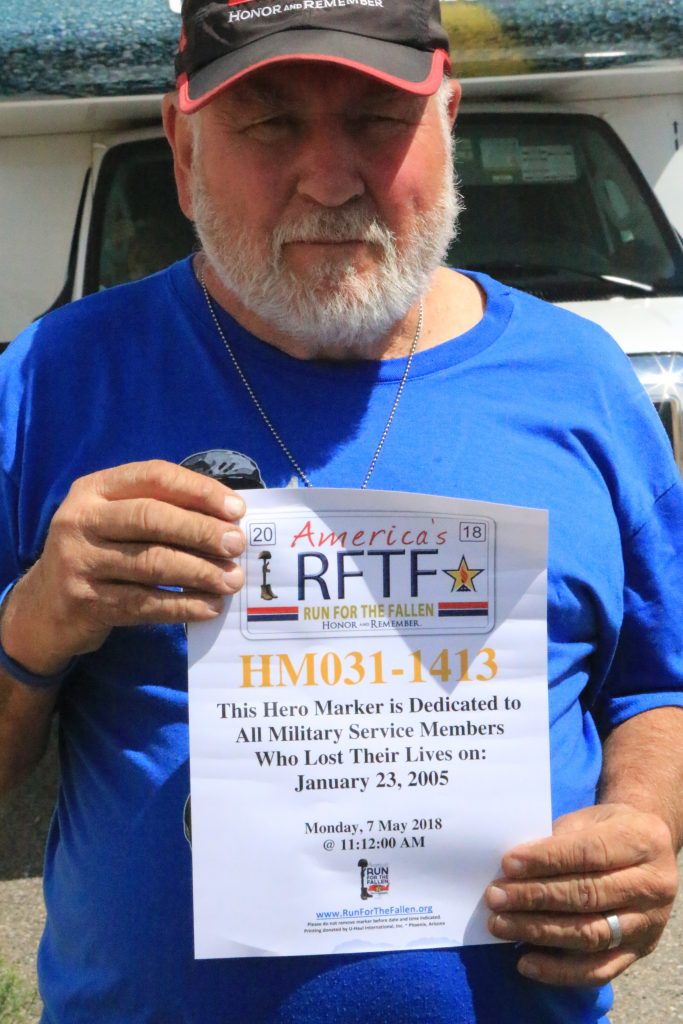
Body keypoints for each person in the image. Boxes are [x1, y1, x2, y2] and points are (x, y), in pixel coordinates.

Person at [0, 1, 681, 1021]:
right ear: (183, 147)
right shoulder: (54, 377)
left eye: (376, 120)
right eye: (270, 123)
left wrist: (641, 823)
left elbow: (655, 682)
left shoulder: (578, 379)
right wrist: (34, 624)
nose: (328, 179)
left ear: (447, 121)